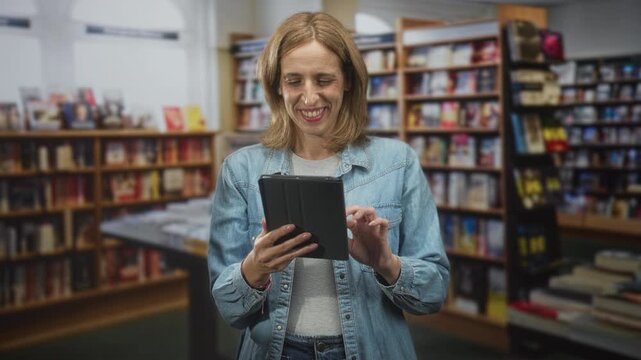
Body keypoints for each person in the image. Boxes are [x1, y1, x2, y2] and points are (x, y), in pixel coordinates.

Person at [208, 12, 449, 360]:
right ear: (277, 85)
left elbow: (434, 291)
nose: (309, 97)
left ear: (347, 80)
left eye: (323, 80)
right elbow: (229, 308)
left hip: (371, 351)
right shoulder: (241, 170)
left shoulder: (397, 162)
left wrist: (386, 263)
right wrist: (254, 269)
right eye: (294, 81)